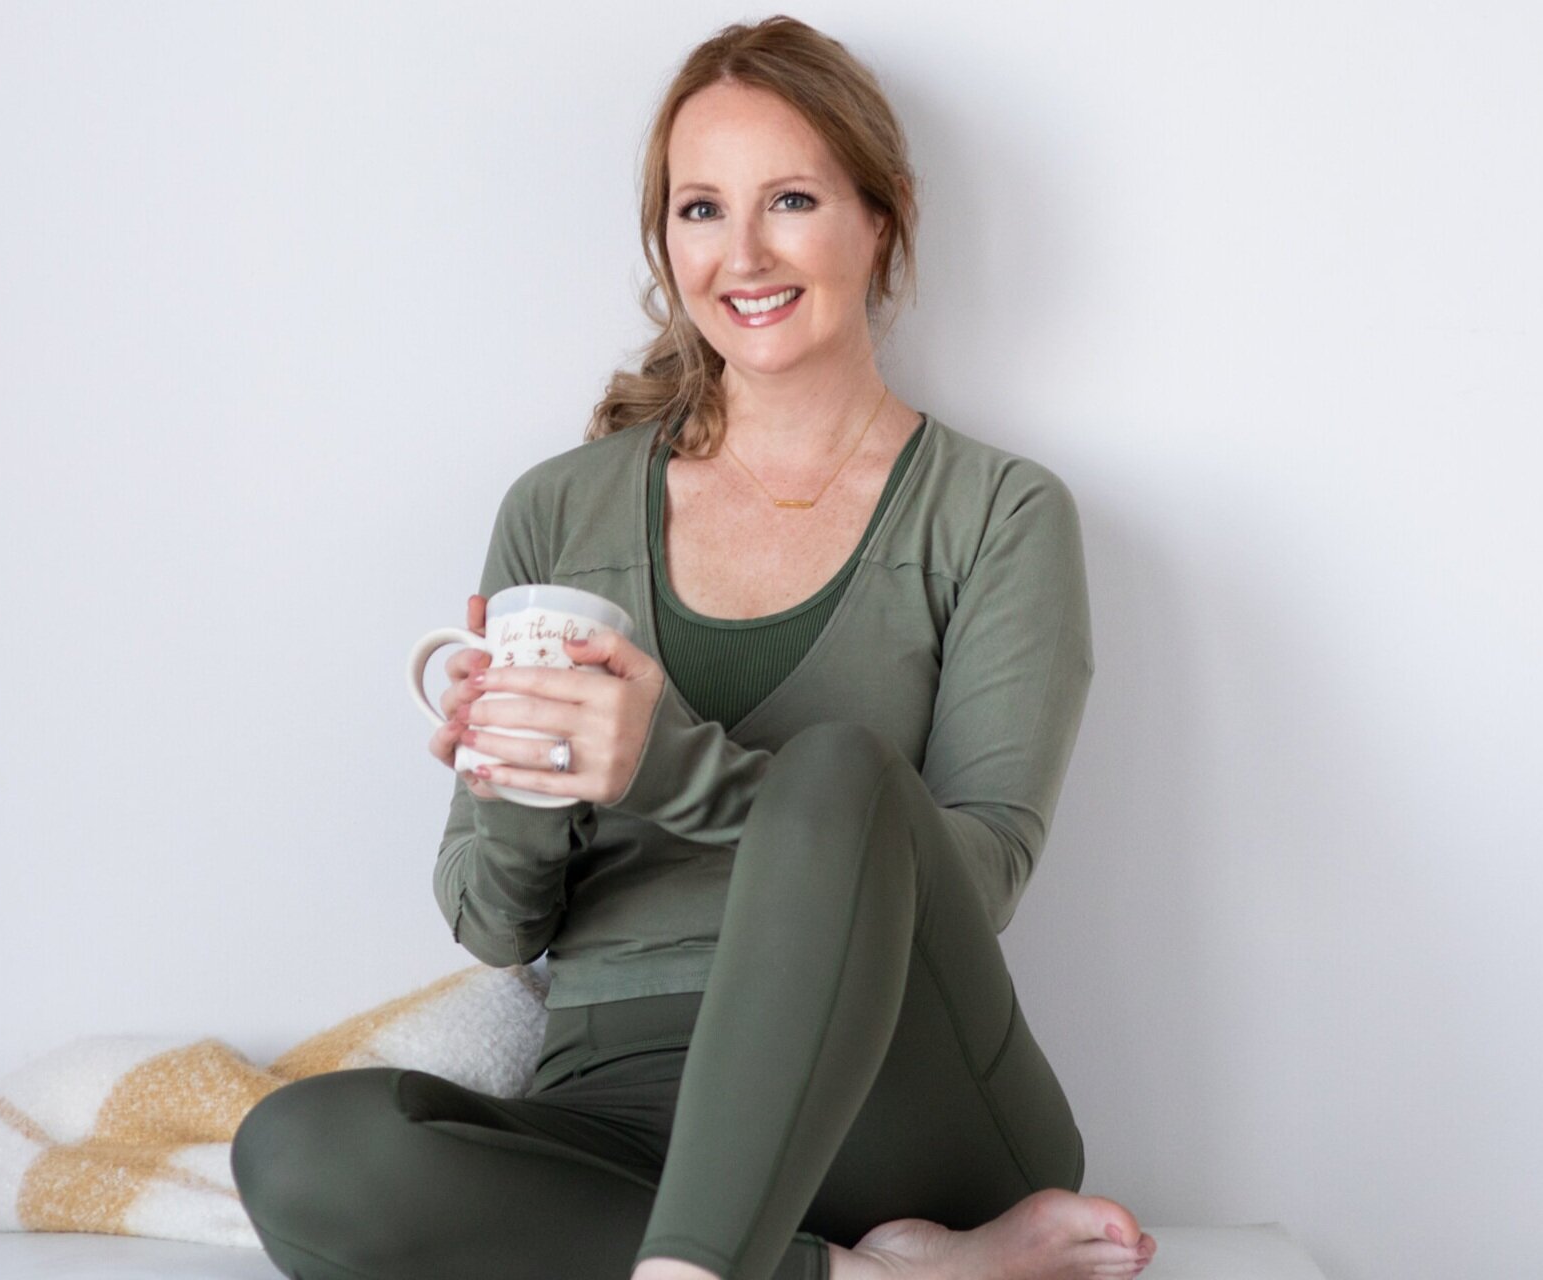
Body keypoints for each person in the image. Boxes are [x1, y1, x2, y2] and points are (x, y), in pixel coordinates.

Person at [230, 15, 1156, 1280]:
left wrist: (669, 766)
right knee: (301, 1148)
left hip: (897, 1090)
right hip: (619, 1109)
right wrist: (519, 771)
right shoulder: (558, 511)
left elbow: (978, 875)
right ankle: (877, 1274)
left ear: (879, 219)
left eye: (790, 198)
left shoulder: (998, 511)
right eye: (699, 209)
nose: (744, 252)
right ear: (663, 241)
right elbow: (495, 926)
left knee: (840, 770)